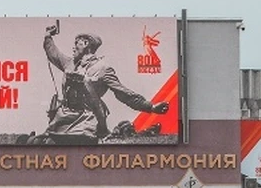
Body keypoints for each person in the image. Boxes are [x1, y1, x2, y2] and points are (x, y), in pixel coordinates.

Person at [23, 23, 169, 145]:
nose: (73, 47)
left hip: (86, 124)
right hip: (61, 121)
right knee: (35, 144)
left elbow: (123, 94)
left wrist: (151, 107)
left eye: (76, 43)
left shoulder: (103, 69)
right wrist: (48, 36)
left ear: (86, 44)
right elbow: (53, 53)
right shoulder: (69, 63)